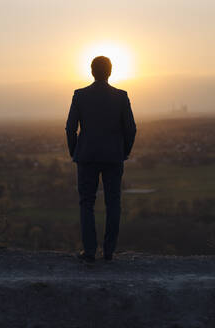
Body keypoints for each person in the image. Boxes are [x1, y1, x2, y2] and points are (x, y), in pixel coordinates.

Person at [65, 56, 136, 264]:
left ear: (91, 71)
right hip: (113, 157)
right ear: (110, 71)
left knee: (86, 203)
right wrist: (123, 151)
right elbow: (131, 129)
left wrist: (74, 151)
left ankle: (89, 251)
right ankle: (108, 251)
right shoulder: (121, 97)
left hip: (86, 156)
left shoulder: (80, 95)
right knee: (113, 202)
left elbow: (70, 128)